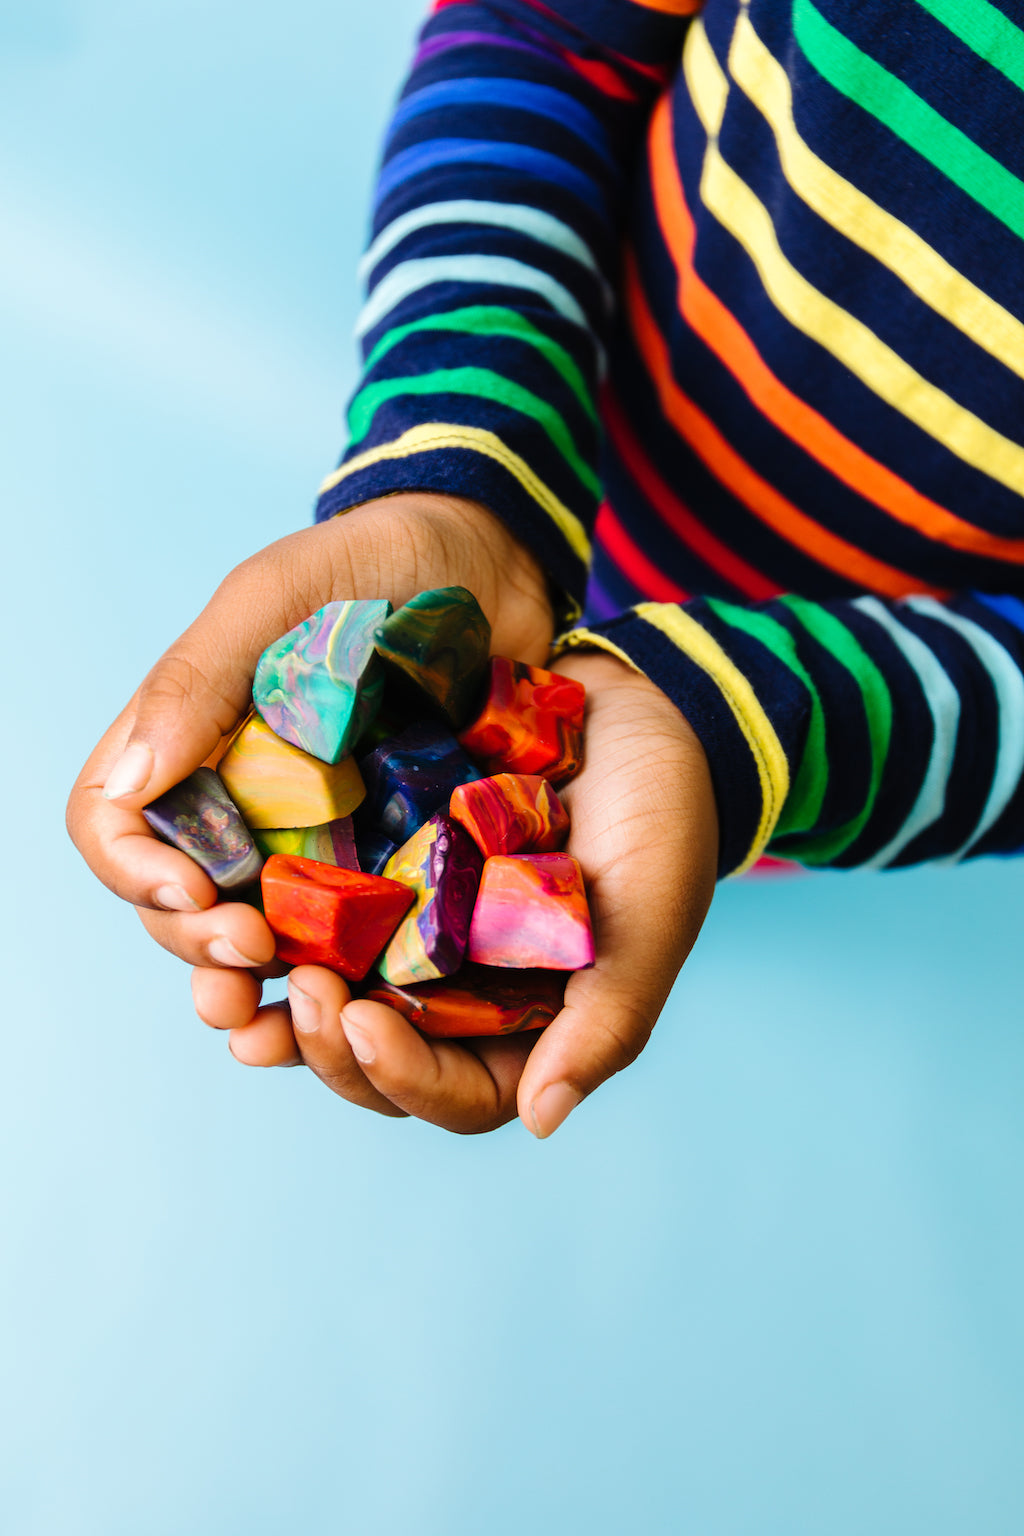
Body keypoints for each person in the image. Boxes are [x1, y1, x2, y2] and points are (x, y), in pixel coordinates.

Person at [67, 0, 1024, 1138]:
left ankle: (706, 821)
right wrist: (455, 479)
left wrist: (751, 735)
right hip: (550, 482)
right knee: (630, 843)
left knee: (664, 854)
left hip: (838, 706)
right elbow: (540, 30)